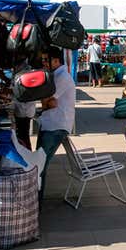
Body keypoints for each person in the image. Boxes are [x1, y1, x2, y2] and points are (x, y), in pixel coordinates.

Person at [36, 46, 76, 202]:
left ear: (56, 61)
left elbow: (50, 102)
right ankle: (36, 199)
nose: (44, 63)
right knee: (39, 163)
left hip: (56, 125)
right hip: (49, 123)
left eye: (47, 60)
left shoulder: (62, 78)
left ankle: (37, 201)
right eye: (43, 59)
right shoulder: (54, 75)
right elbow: (47, 102)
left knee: (40, 166)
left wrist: (44, 102)